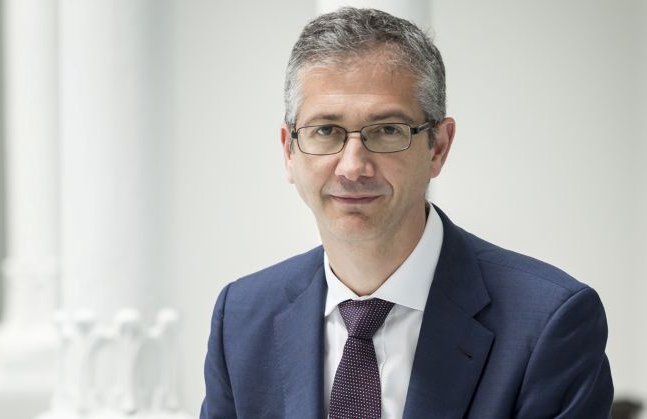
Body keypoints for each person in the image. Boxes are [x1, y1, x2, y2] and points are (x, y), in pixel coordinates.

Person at [201, 7, 613, 419]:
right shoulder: (240, 319)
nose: (352, 168)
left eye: (387, 130)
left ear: (438, 147)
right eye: (325, 130)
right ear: (289, 151)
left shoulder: (549, 323)